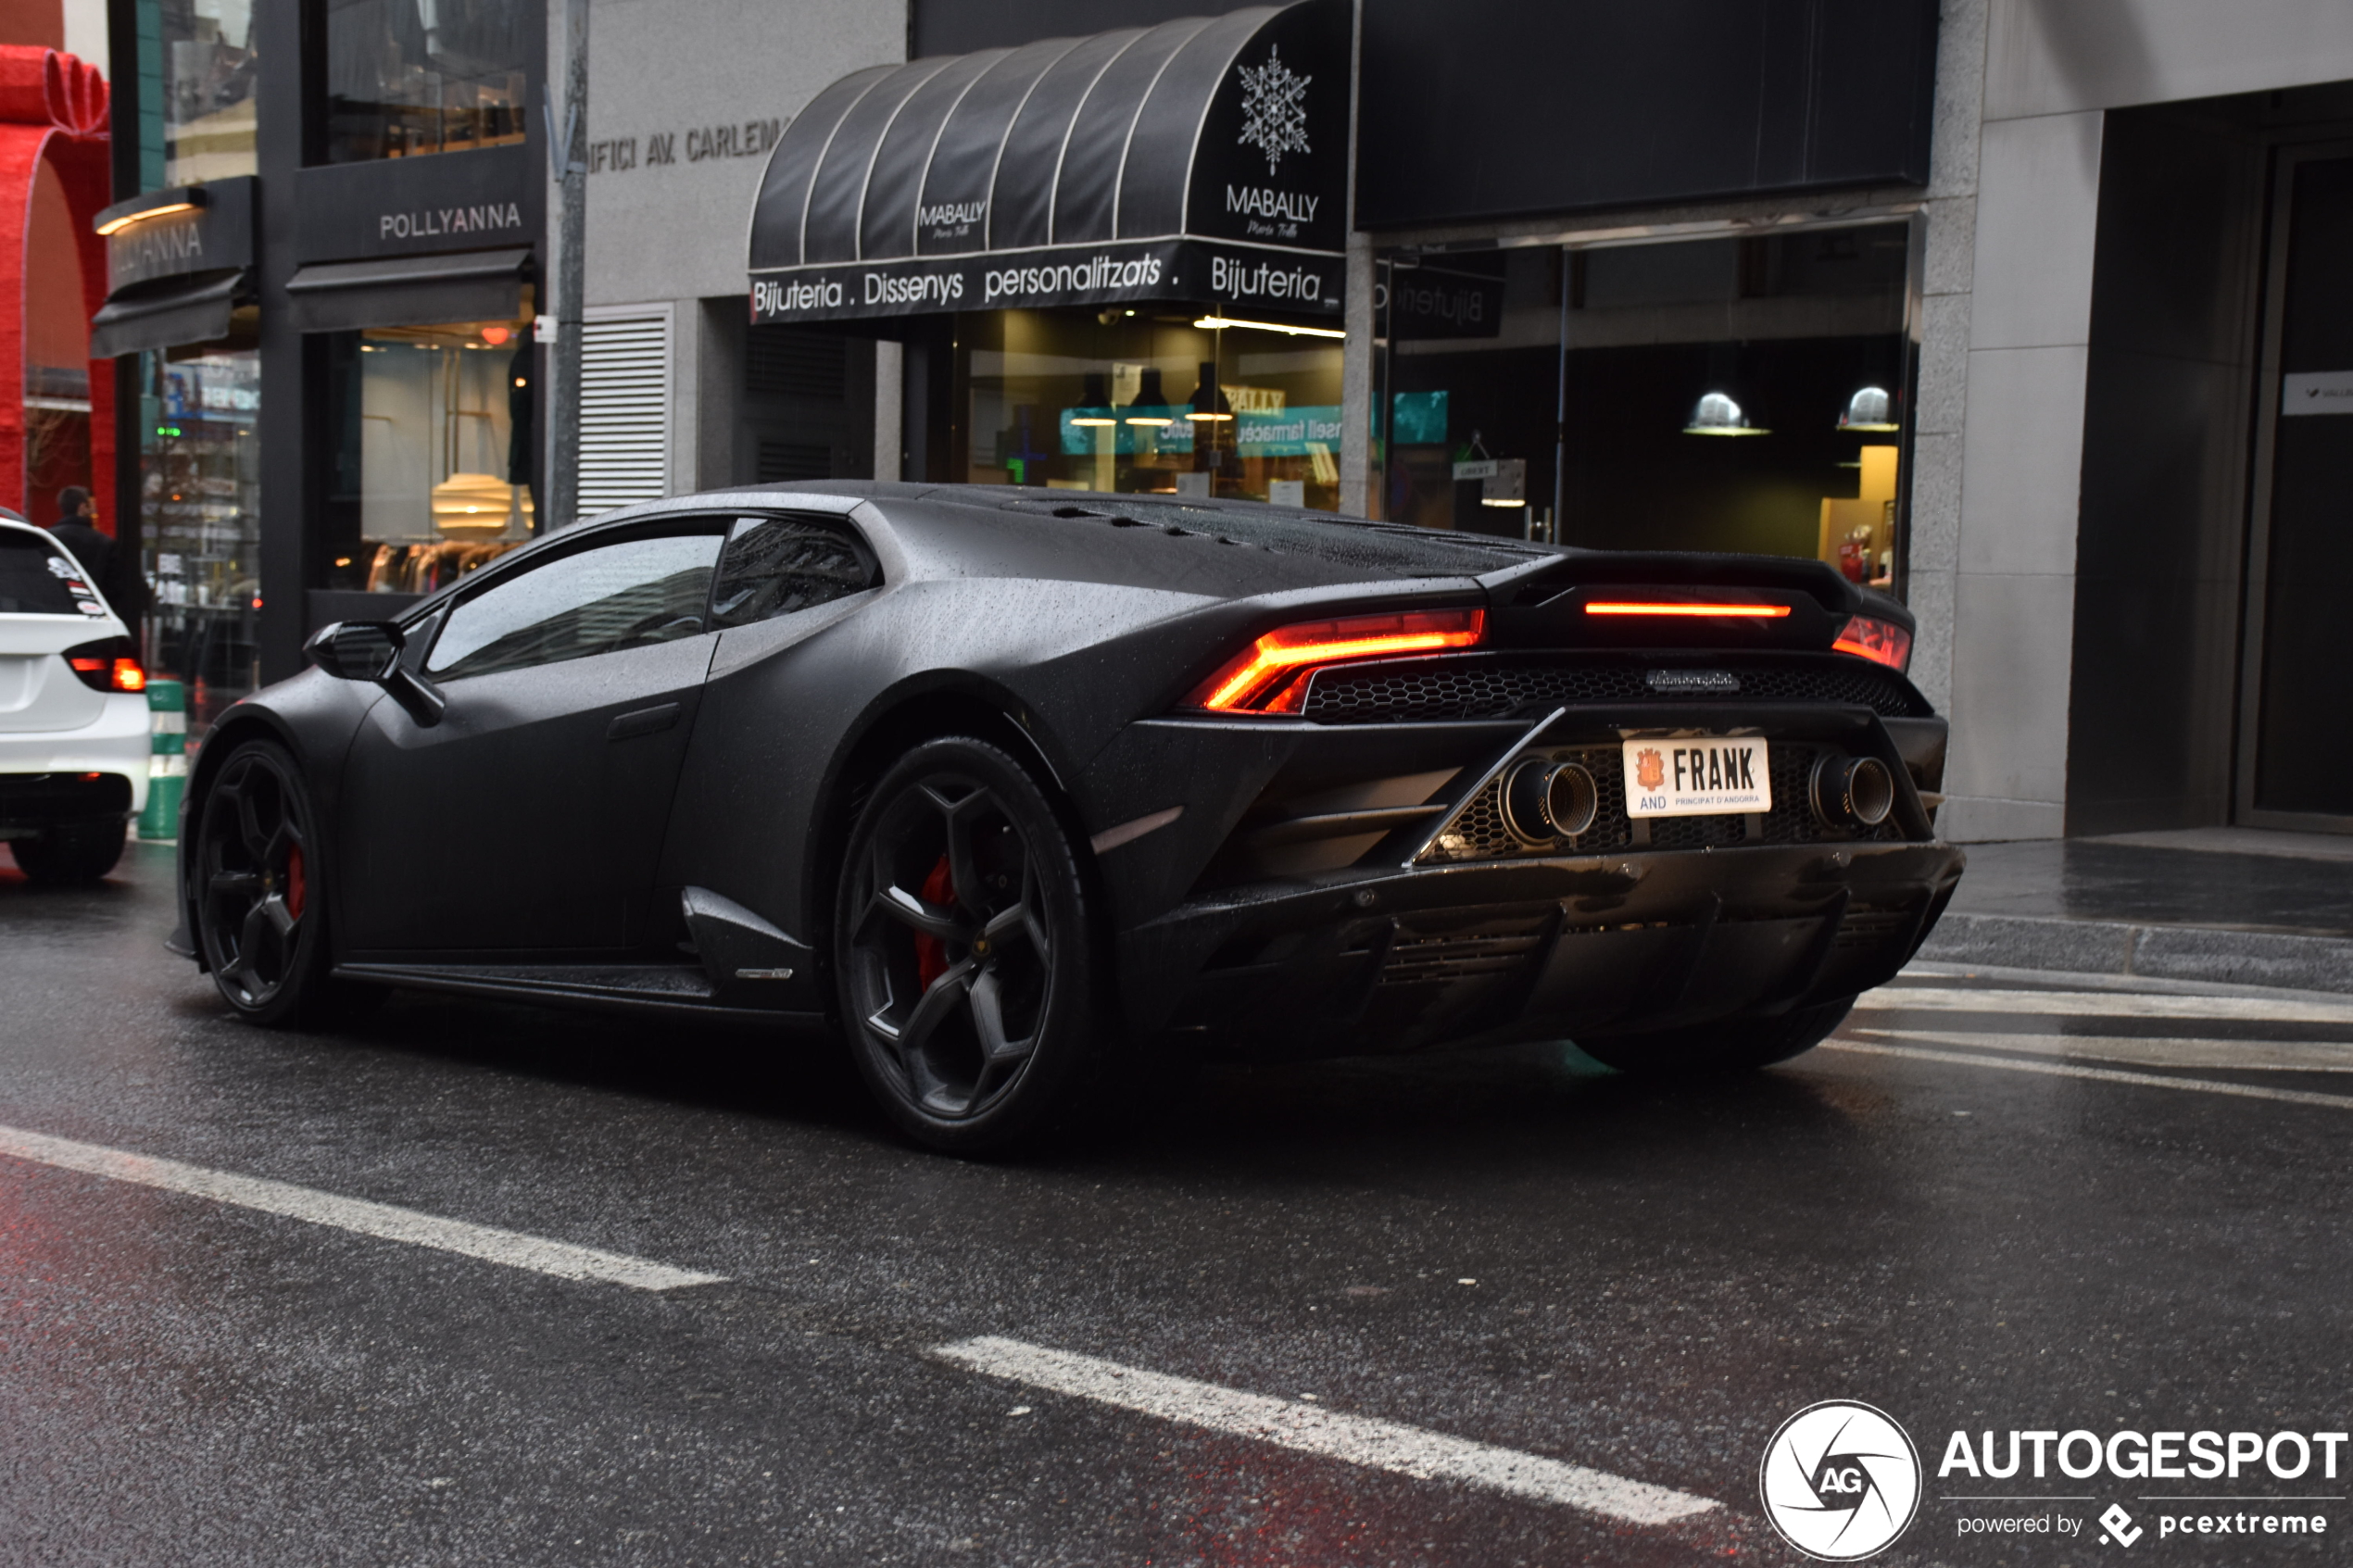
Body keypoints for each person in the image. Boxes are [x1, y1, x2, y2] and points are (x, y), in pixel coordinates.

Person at [47, 486, 112, 585]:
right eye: (91, 506)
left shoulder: (47, 537)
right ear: (82, 507)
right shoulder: (102, 542)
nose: (94, 511)